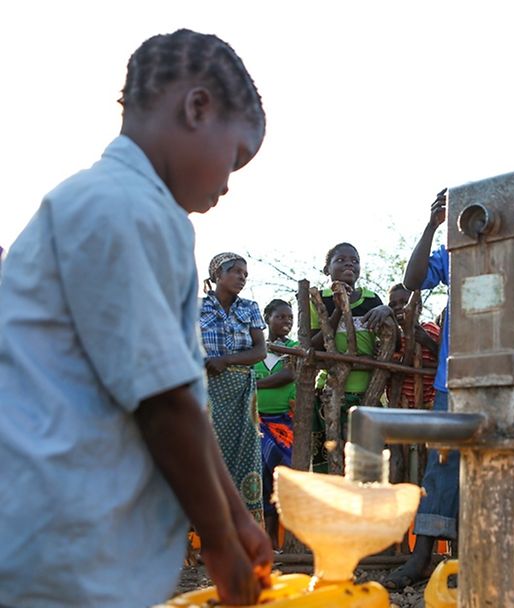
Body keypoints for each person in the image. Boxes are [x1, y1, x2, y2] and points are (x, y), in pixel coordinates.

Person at [0, 29, 272, 606]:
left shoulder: (136, 211)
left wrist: (236, 516)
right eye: (235, 158)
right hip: (56, 536)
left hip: (71, 534)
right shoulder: (121, 207)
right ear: (197, 107)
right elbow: (163, 401)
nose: (228, 183)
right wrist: (221, 541)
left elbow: (186, 401)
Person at [385, 189, 453, 591]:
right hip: (452, 378)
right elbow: (413, 280)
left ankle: (473, 554)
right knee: (441, 465)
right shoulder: (454, 253)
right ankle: (422, 556)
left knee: (497, 465)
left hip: (508, 372)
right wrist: (432, 225)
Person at [309, 242, 392, 472]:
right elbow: (313, 344)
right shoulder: (318, 298)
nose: (349, 264)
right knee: (331, 460)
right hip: (331, 392)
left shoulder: (371, 300)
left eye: (354, 261)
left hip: (368, 391)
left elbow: (388, 337)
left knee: (367, 462)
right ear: (326, 269)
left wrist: (387, 310)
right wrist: (338, 308)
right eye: (341, 260)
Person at [200, 253, 268, 525]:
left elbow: (260, 351)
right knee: (203, 453)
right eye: (236, 271)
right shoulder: (195, 308)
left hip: (240, 390)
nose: (242, 277)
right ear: (217, 274)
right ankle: (200, 534)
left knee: (245, 455)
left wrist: (226, 360)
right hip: (205, 389)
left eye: (245, 274)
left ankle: (242, 532)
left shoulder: (249, 307)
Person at [254, 299, 298, 547]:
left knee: (284, 475)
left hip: (285, 424)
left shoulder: (293, 348)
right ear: (267, 317)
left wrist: (255, 384)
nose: (286, 322)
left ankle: (286, 538)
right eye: (280, 317)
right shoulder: (256, 348)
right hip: (257, 422)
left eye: (290, 318)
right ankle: (268, 538)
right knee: (262, 478)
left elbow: (289, 375)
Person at [387, 282, 440, 408]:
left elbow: (444, 358)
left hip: (428, 404)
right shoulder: (392, 337)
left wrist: (428, 342)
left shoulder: (431, 330)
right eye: (392, 305)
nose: (398, 307)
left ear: (419, 307)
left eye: (404, 302)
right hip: (400, 405)